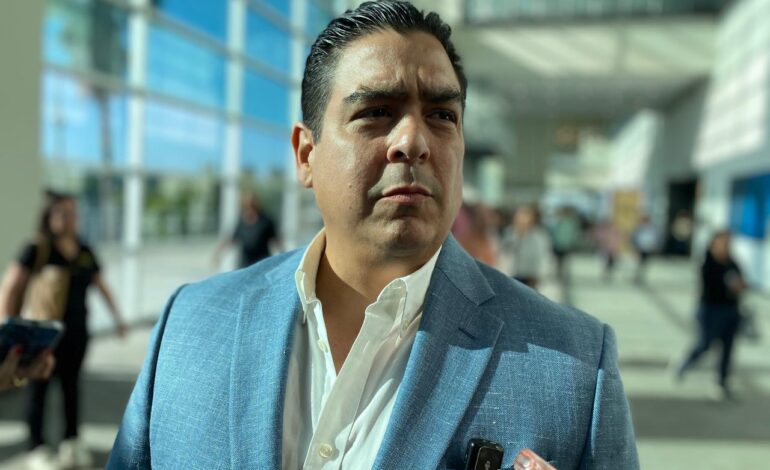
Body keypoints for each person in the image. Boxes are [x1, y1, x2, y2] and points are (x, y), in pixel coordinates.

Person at [108, 2, 638, 469]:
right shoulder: (191, 326)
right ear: (305, 155)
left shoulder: (574, 367)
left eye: (442, 115)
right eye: (376, 112)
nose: (413, 140)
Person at [0, 191, 127, 468]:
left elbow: (101, 285)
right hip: (41, 334)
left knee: (72, 386)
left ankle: (71, 441)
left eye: (73, 213)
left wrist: (118, 318)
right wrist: (6, 326)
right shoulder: (38, 248)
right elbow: (11, 285)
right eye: (62, 213)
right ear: (49, 216)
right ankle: (37, 447)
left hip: (76, 333)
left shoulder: (84, 250)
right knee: (38, 388)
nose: (69, 219)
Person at [677, 230, 746, 399]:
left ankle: (722, 382)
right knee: (705, 344)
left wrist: (740, 287)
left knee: (728, 348)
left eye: (728, 243)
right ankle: (685, 363)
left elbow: (743, 283)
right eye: (722, 243)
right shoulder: (708, 264)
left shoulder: (733, 263)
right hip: (711, 310)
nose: (725, 246)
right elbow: (711, 288)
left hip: (731, 311)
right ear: (713, 244)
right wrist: (730, 287)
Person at [213, 191, 279, 269]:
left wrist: (285, 256)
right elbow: (231, 239)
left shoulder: (266, 220)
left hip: (263, 262)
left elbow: (276, 240)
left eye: (251, 205)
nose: (249, 208)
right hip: (245, 264)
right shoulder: (241, 222)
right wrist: (218, 254)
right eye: (246, 206)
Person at [502, 205, 551, 289]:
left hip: (531, 275)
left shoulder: (538, 235)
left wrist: (539, 274)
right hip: (512, 273)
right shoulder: (510, 232)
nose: (522, 219)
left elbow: (543, 255)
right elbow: (505, 251)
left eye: (525, 215)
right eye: (519, 215)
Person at [547, 206, 580, 284]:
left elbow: (572, 235)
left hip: (563, 245)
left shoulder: (568, 223)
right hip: (560, 245)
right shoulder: (563, 222)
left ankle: (561, 276)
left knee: (562, 262)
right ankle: (560, 275)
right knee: (561, 262)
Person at [631, 215, 658, 284]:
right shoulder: (639, 229)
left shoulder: (652, 229)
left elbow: (655, 239)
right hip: (640, 248)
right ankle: (637, 276)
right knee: (639, 263)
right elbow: (635, 238)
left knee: (645, 263)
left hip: (648, 248)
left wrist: (654, 246)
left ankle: (641, 276)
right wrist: (635, 247)